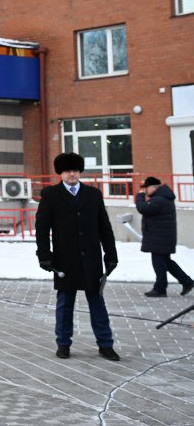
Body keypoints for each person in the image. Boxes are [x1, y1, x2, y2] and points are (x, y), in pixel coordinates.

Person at [35, 152, 120, 361]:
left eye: (75, 170)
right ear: (60, 173)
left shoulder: (93, 194)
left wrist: (111, 255)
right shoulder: (51, 195)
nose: (72, 174)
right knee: (65, 304)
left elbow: (105, 227)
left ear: (80, 171)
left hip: (91, 258)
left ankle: (105, 344)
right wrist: (44, 255)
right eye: (67, 171)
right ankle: (63, 343)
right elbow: (42, 228)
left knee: (97, 302)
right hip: (65, 259)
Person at [135, 176, 194, 298]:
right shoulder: (163, 198)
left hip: (159, 238)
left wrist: (139, 196)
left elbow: (143, 208)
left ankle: (160, 288)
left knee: (159, 263)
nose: (145, 191)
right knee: (166, 262)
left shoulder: (159, 200)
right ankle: (187, 282)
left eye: (146, 188)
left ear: (154, 187)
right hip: (161, 237)